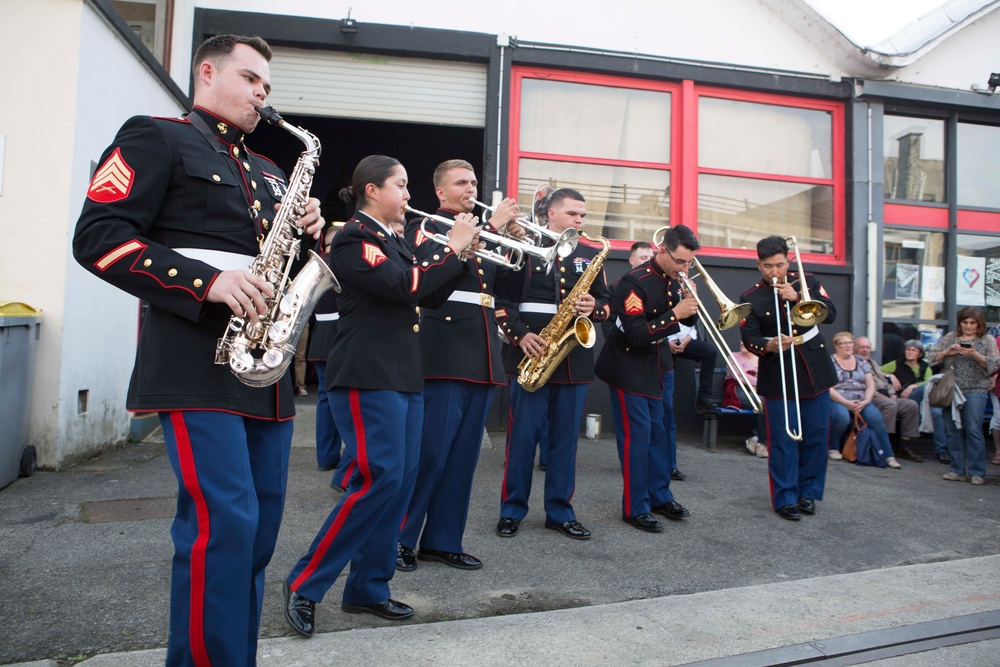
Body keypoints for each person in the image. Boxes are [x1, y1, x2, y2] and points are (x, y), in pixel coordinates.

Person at [73, 34, 326, 664]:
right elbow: (99, 237)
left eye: (267, 85)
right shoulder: (154, 137)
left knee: (259, 532)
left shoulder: (271, 171)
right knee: (224, 528)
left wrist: (307, 232)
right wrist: (206, 282)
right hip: (193, 360)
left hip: (260, 368)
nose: (261, 94)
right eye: (250, 79)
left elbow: (267, 265)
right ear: (207, 72)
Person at [282, 155, 478, 637]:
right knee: (377, 480)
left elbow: (428, 295)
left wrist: (463, 256)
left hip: (403, 375)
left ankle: (368, 589)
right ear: (372, 190)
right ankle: (304, 583)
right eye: (402, 185)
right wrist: (451, 250)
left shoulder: (391, 239)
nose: (409, 195)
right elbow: (404, 286)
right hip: (368, 375)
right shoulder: (355, 237)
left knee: (397, 486)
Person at [395, 160, 526, 572]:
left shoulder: (486, 233)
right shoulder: (429, 224)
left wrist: (515, 248)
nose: (470, 188)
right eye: (460, 182)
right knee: (429, 453)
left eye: (473, 181)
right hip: (443, 348)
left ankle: (443, 539)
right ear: (440, 191)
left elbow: (505, 292)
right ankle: (401, 537)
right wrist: (494, 232)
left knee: (463, 458)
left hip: (481, 349)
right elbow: (433, 269)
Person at [495, 188, 611, 540]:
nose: (580, 220)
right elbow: (501, 301)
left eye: (583, 216)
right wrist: (519, 335)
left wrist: (596, 308)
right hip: (531, 351)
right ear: (551, 215)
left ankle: (560, 512)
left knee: (565, 442)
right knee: (522, 439)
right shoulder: (524, 246)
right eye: (573, 214)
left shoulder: (591, 253)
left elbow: (608, 303)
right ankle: (512, 510)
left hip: (572, 358)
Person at [595, 225, 697, 532]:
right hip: (629, 367)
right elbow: (638, 334)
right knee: (637, 440)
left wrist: (689, 306)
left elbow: (684, 320)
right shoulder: (633, 282)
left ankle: (659, 496)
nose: (685, 268)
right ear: (662, 251)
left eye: (689, 263)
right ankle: (634, 507)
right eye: (680, 261)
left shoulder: (674, 279)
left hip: (659, 365)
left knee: (659, 434)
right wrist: (676, 314)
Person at [739, 236, 837, 521]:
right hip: (778, 370)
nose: (774, 272)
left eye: (779, 265)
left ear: (788, 261)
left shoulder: (808, 281)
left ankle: (808, 493)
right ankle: (785, 498)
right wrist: (766, 346)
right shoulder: (750, 296)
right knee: (782, 439)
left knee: (817, 436)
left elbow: (831, 314)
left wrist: (799, 297)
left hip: (814, 368)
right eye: (767, 266)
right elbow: (749, 336)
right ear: (758, 264)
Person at [930, 307, 1000, 486]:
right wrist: (947, 353)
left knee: (973, 430)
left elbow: (995, 364)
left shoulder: (987, 340)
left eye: (972, 323)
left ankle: (977, 472)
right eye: (965, 322)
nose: (968, 326)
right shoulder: (950, 337)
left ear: (979, 324)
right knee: (953, 430)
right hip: (951, 389)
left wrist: (975, 354)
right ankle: (957, 470)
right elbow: (931, 357)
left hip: (976, 389)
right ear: (960, 322)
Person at [827, 332, 902, 469]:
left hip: (861, 399)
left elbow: (870, 384)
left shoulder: (861, 361)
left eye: (850, 342)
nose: (848, 346)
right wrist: (845, 402)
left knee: (876, 418)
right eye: (843, 343)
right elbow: (827, 387)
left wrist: (867, 400)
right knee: (841, 416)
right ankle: (833, 447)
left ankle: (888, 455)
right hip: (837, 398)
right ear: (836, 346)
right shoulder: (829, 361)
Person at [854, 336, 923, 462]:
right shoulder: (854, 364)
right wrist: (884, 397)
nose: (865, 350)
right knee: (890, 405)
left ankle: (903, 446)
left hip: (886, 396)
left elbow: (884, 382)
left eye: (868, 348)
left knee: (911, 405)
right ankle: (886, 444)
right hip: (870, 398)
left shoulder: (872, 363)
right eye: (862, 347)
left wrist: (892, 393)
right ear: (854, 349)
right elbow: (862, 387)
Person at [881, 339, 949, 464]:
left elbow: (929, 383)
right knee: (930, 388)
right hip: (906, 399)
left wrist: (914, 386)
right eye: (908, 349)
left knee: (935, 409)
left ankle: (941, 450)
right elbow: (878, 371)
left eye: (914, 350)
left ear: (920, 354)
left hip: (924, 397)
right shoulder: (897, 363)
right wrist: (891, 375)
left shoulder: (925, 366)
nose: (910, 352)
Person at [310, 226, 342, 473]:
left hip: (321, 334)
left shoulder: (314, 265)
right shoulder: (341, 262)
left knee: (325, 398)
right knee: (346, 399)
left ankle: (326, 455)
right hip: (341, 332)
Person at [723, 341, 768, 458]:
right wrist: (761, 381)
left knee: (772, 403)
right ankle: (763, 443)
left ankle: (755, 438)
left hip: (760, 392)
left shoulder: (762, 358)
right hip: (740, 391)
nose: (742, 342)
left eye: (746, 340)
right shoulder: (734, 356)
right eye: (741, 339)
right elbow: (739, 376)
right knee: (764, 403)